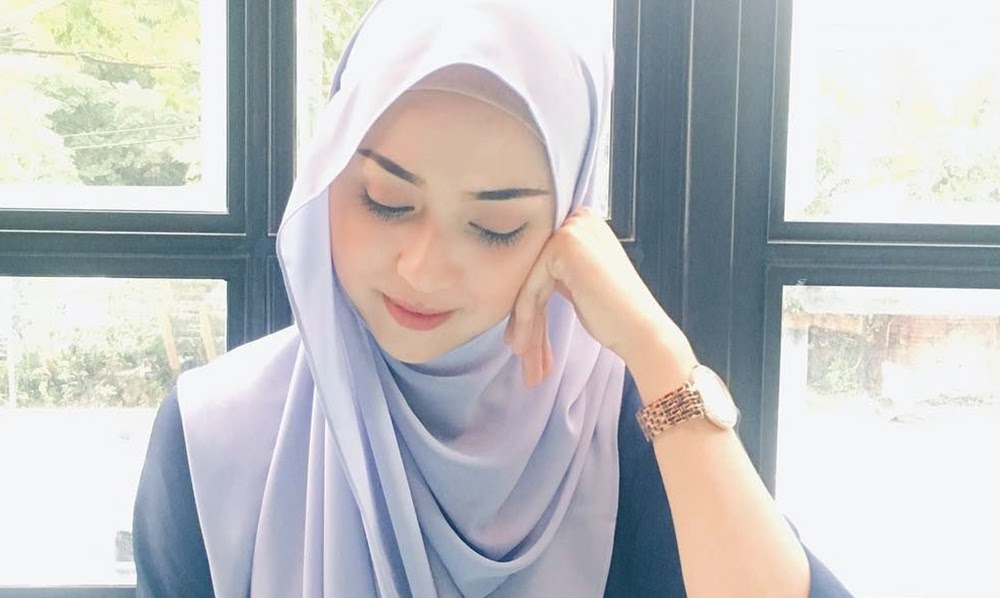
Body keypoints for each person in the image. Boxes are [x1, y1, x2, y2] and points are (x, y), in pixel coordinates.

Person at [132, 0, 853, 595]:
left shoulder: (622, 429)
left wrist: (657, 349)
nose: (423, 270)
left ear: (566, 224)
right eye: (385, 201)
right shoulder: (213, 437)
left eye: (495, 226)